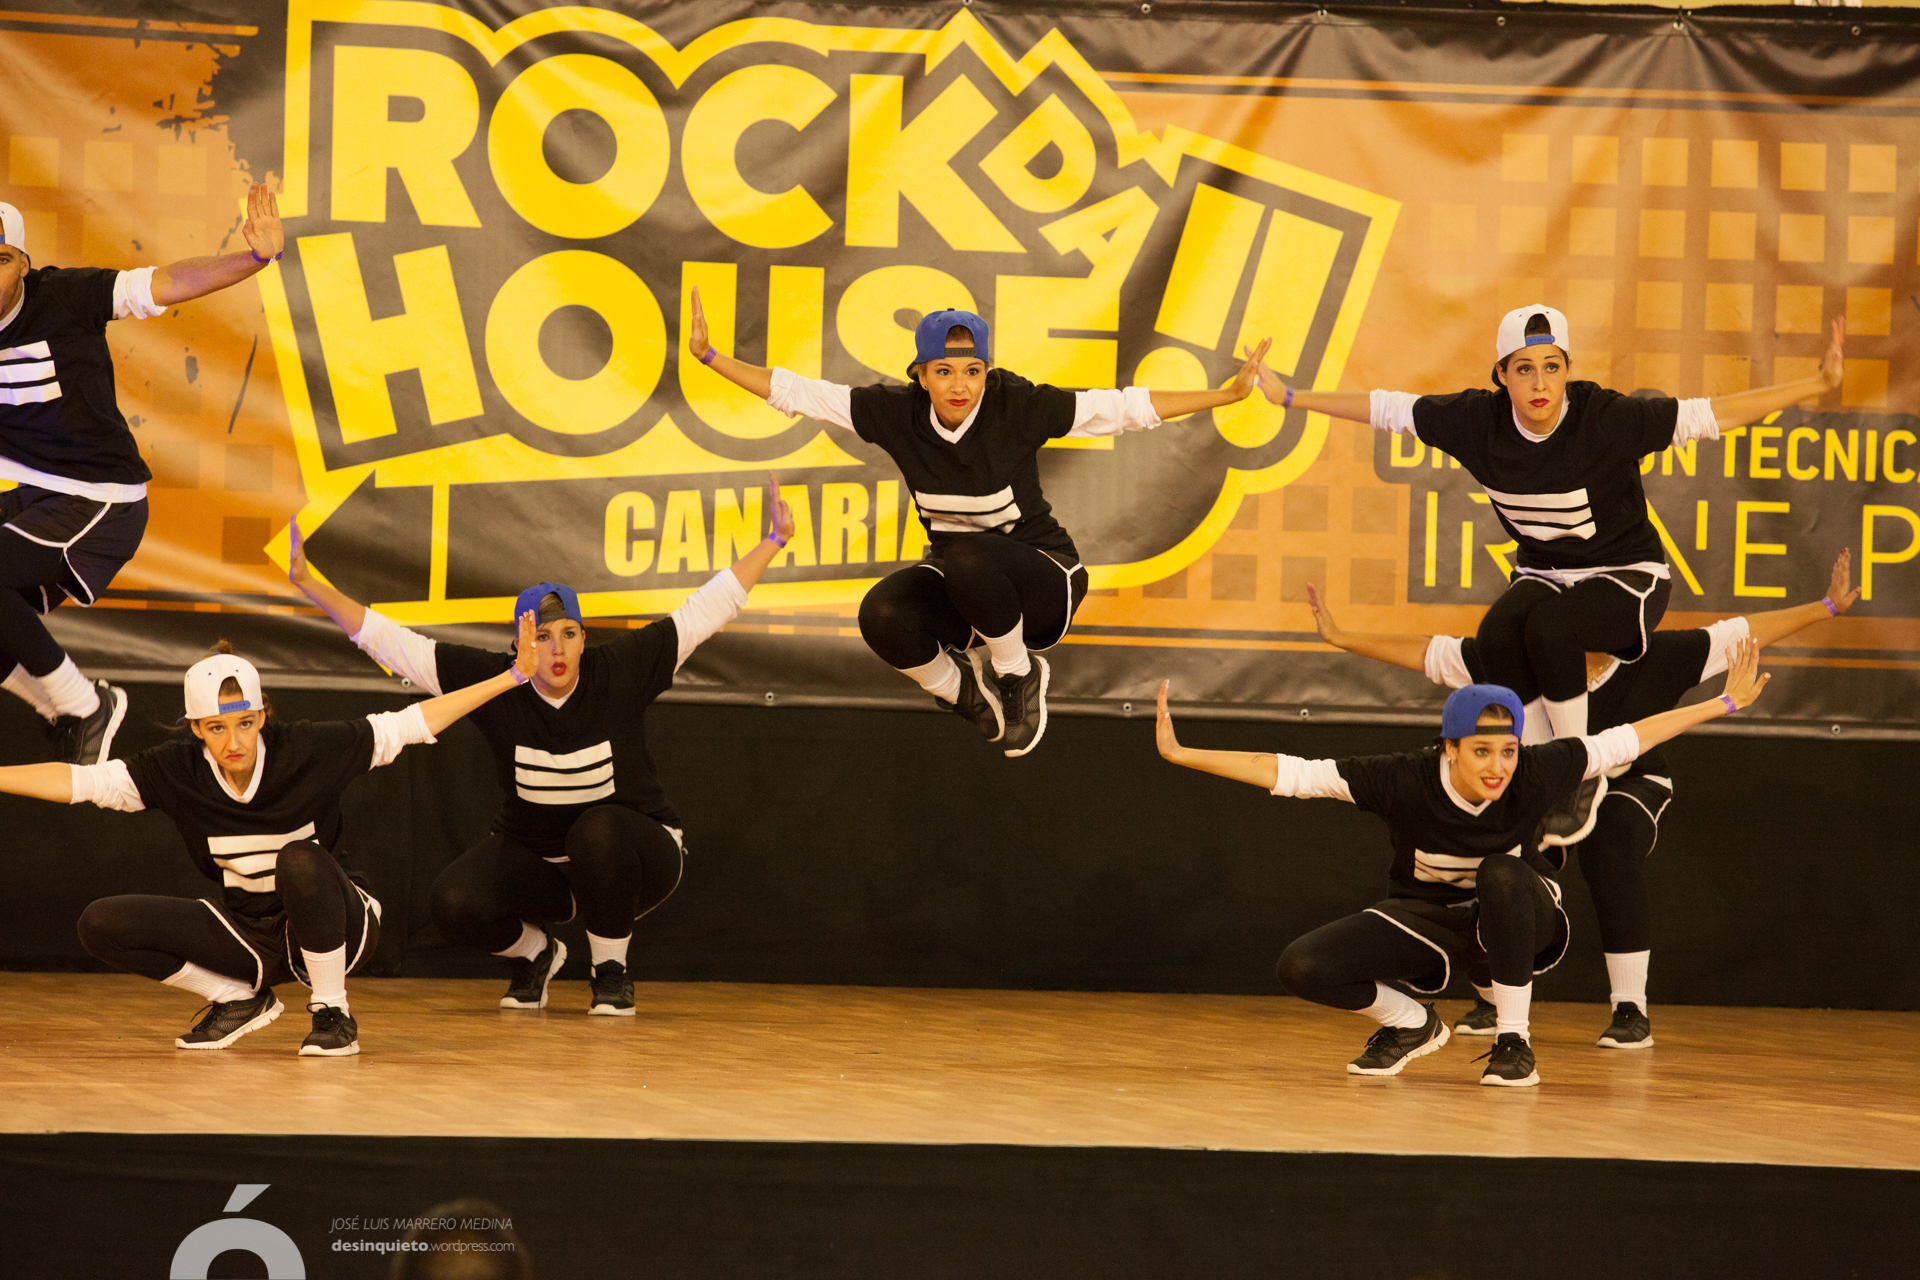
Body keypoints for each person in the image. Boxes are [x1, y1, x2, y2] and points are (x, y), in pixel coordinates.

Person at [1257, 305, 1844, 839]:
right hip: (1544, 573)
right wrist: (1290, 398)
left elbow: (1710, 416)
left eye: (1552, 367)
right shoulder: (1475, 422)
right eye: (1524, 369)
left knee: (1552, 629)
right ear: (1501, 376)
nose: (1540, 384)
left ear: (1567, 371)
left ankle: (1575, 772)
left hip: (1629, 576)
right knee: (1496, 635)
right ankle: (1536, 771)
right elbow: (1387, 409)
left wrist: (1816, 384)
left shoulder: (1605, 419)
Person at [1302, 549, 1858, 1049]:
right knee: (1500, 861)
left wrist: (1826, 607)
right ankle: (1493, 991)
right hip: (1546, 785)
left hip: (1629, 776)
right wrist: (1341, 637)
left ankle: (1630, 1009)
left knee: (1611, 839)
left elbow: (1742, 633)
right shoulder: (1516, 661)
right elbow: (1432, 654)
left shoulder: (1656, 657)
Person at [1153, 639, 1769, 1086]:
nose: (1498, 767)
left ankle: (1513, 1041)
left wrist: (1724, 703)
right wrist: (1184, 754)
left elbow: (1631, 737)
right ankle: (1411, 1024)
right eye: (1481, 752)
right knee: (1302, 965)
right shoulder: (1403, 779)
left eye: (1508, 750)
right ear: (1448, 748)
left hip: (1525, 916)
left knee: (1501, 871)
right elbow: (1293, 774)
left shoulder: (1537, 770)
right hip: (1431, 921)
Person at [291, 476, 795, 1016]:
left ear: (583, 639)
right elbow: (394, 644)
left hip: (637, 860)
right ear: (520, 644)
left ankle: (611, 974)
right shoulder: (497, 683)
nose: (557, 651)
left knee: (597, 827)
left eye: (569, 634)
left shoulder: (618, 670)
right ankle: (536, 954)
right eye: (542, 637)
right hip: (545, 868)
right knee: (452, 901)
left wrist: (774, 540)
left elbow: (705, 610)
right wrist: (309, 583)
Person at [690, 292, 1272, 756]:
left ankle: (1017, 675)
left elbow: (1123, 408)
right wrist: (711, 357)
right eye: (944, 371)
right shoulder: (895, 414)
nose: (960, 386)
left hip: (1045, 584)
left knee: (967, 554)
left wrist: (1226, 394)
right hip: (968, 589)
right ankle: (965, 692)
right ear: (921, 376)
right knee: (881, 614)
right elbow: (799, 393)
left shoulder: (1016, 406)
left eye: (972, 370)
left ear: (987, 372)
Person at [0, 624, 535, 1054]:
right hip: (252, 936)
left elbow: (411, 723)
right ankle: (238, 998)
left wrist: (511, 677)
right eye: (216, 728)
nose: (233, 741)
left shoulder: (306, 749)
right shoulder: (175, 770)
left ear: (261, 716)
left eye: (244, 723)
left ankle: (332, 1012)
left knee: (298, 859)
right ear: (195, 728)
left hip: (339, 926)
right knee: (100, 923)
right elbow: (80, 782)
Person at [0, 186, 285, 764]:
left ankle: (85, 706)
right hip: (37, 494)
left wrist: (254, 258)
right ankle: (62, 708)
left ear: (24, 264)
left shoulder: (66, 297)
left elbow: (171, 281)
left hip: (101, 500)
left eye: (0, 259)